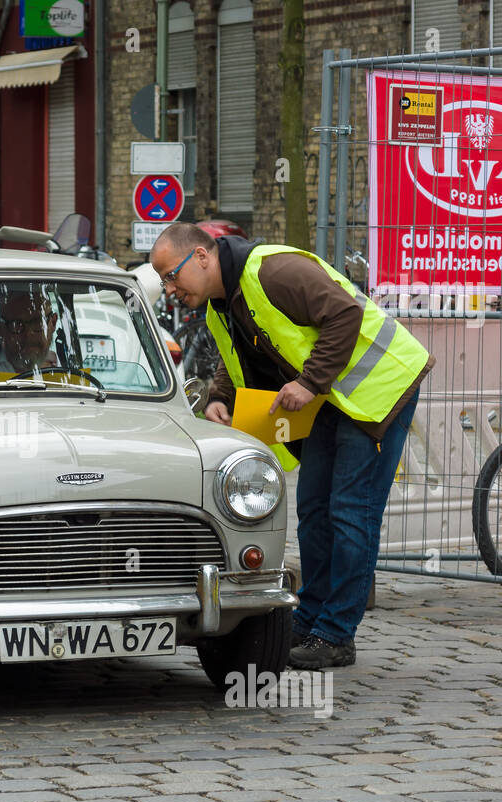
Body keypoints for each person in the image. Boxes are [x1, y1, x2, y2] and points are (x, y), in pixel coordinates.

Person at [150, 222, 432, 670]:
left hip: (380, 388)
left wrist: (309, 382)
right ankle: (312, 619)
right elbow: (239, 357)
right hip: (332, 397)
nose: (169, 288)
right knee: (315, 508)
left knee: (350, 510)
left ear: (202, 257)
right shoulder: (219, 307)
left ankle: (336, 635)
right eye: (163, 280)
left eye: (170, 274)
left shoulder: (272, 272)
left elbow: (345, 314)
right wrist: (222, 396)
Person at [0, 289, 61, 379]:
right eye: (16, 324)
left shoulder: (72, 374)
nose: (28, 336)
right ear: (0, 328)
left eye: (37, 322)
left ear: (53, 322)